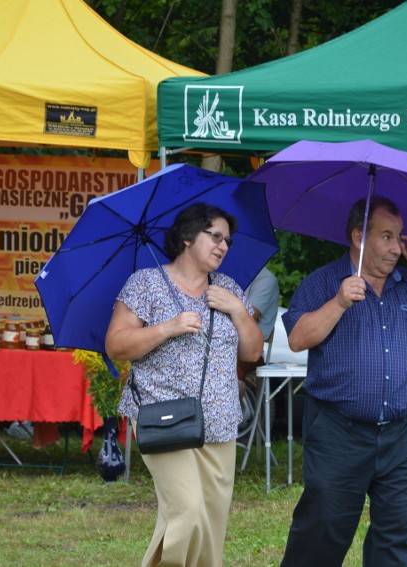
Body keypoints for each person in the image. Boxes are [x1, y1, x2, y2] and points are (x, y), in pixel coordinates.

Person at [279, 197, 407, 567]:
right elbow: (298, 338)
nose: (397, 247)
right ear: (358, 237)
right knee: (321, 532)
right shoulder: (323, 282)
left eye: (399, 236)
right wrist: (339, 303)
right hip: (338, 435)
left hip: (401, 435)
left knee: (395, 539)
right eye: (386, 236)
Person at [106, 202, 263, 567]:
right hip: (164, 418)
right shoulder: (146, 283)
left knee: (209, 523)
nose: (223, 246)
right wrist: (168, 327)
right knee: (188, 511)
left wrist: (238, 310)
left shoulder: (227, 288)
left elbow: (253, 352)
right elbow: (116, 344)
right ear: (188, 237)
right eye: (216, 236)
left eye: (228, 241)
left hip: (219, 423)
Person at [237, 266, 280, 398]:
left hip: (248, 351)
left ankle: (236, 413)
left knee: (220, 366)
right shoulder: (229, 274)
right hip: (226, 346)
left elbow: (247, 316)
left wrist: (242, 316)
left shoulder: (266, 279)